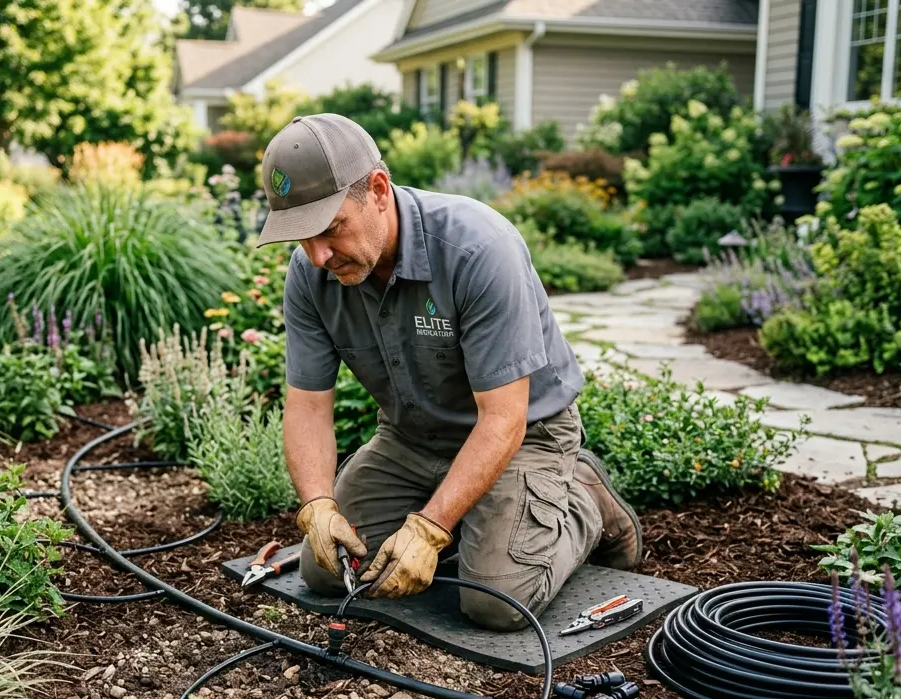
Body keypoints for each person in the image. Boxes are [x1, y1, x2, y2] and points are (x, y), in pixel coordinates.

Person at [255, 113, 642, 631]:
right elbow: (307, 404)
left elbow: (504, 418)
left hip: (524, 436)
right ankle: (475, 517)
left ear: (378, 189)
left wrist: (432, 528)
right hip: (410, 439)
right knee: (327, 572)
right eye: (300, 238)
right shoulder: (311, 274)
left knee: (497, 603)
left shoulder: (478, 249)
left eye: (330, 229)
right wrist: (318, 507)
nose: (318, 255)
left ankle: (582, 500)